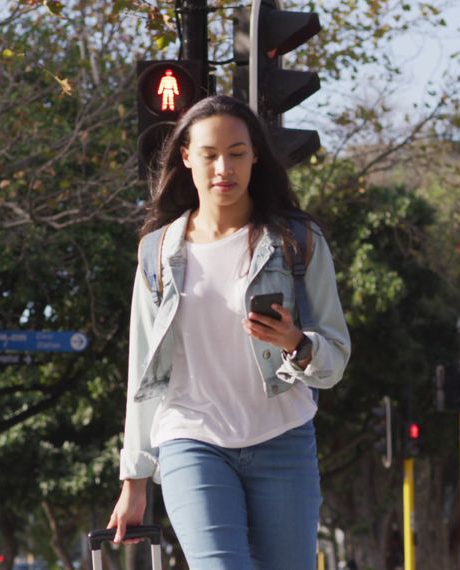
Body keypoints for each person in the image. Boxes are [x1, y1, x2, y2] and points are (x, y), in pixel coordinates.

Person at [105, 95, 351, 569]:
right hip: (191, 438)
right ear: (185, 157)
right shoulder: (158, 253)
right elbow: (143, 369)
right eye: (209, 154)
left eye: (237, 153)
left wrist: (295, 345)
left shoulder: (297, 241)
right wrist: (134, 478)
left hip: (282, 437)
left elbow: (335, 359)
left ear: (256, 155)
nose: (224, 167)